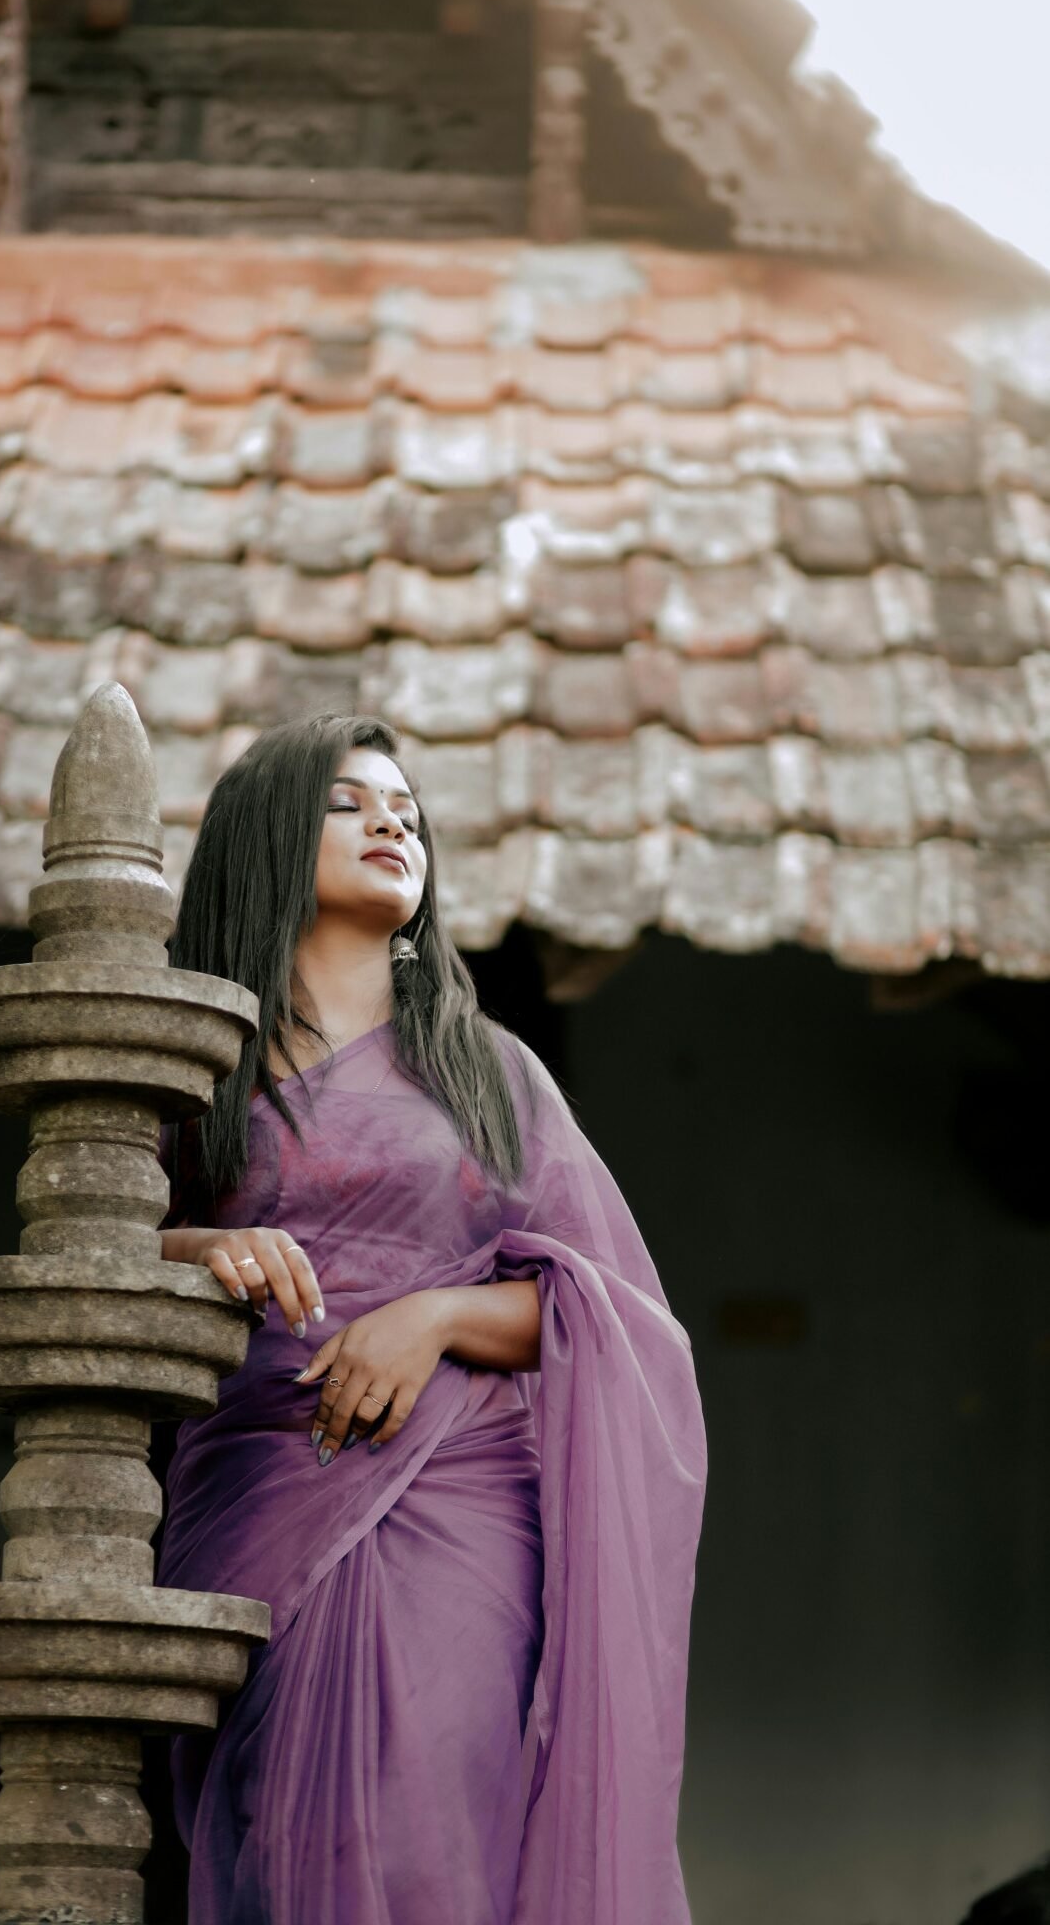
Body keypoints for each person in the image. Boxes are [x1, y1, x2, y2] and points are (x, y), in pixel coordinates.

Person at [153, 712, 707, 1925]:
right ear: (266, 834)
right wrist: (202, 1248)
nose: (391, 823)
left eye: (405, 809)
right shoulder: (191, 1059)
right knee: (274, 1847)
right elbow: (89, 1246)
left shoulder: (488, 1071)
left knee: (430, 1839)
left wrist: (440, 1314)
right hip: (255, 1499)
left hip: (457, 1508)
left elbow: (619, 1315)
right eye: (349, 803)